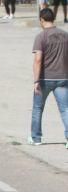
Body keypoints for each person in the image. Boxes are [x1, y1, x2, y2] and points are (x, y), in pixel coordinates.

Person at [28, 8, 68, 148]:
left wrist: (36, 81)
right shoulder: (65, 35)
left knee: (38, 108)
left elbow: (38, 60)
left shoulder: (41, 37)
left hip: (45, 79)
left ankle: (36, 138)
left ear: (42, 20)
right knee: (65, 109)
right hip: (63, 78)